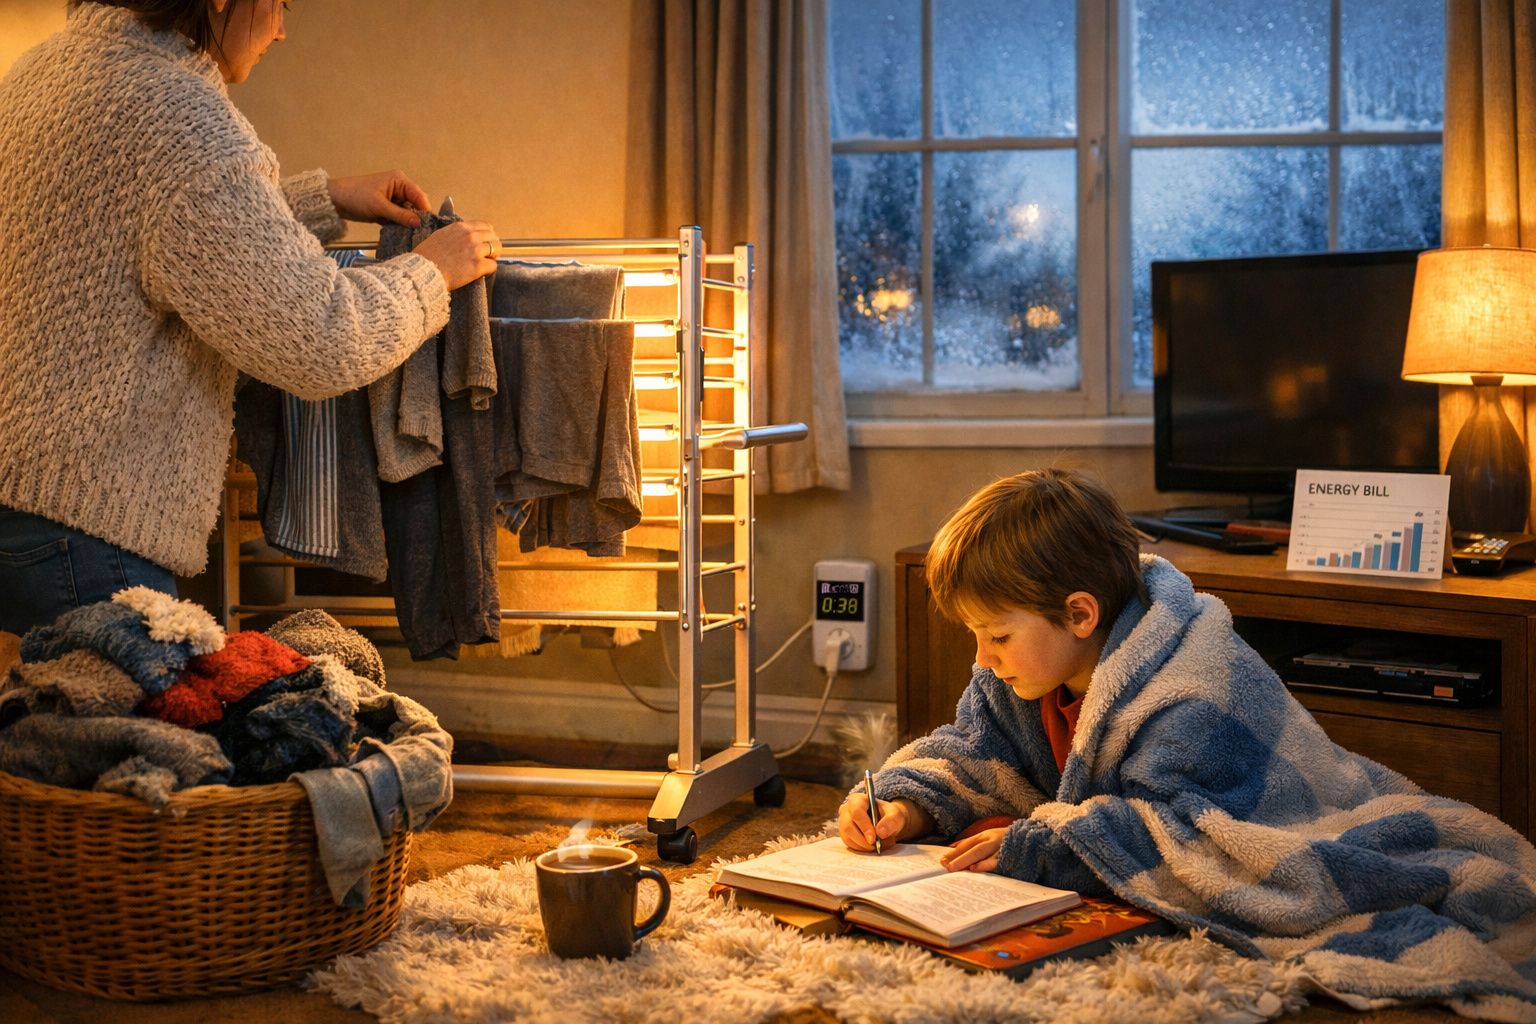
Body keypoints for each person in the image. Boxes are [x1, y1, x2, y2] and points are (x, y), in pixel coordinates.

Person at [840, 467, 1536, 1015]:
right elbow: (971, 752)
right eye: (975, 637)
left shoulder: (1193, 679)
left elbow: (1194, 833)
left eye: (996, 635)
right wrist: (907, 805)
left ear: (1079, 614)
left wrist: (1046, 844)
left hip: (1298, 809)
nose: (984, 658)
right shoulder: (1015, 678)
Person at [0, 0, 500, 636]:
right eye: (280, 3)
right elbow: (322, 337)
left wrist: (326, 198)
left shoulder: (45, 70)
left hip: (18, 511)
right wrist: (434, 270)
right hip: (88, 542)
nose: (283, 28)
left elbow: (149, 233)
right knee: (133, 740)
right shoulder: (180, 116)